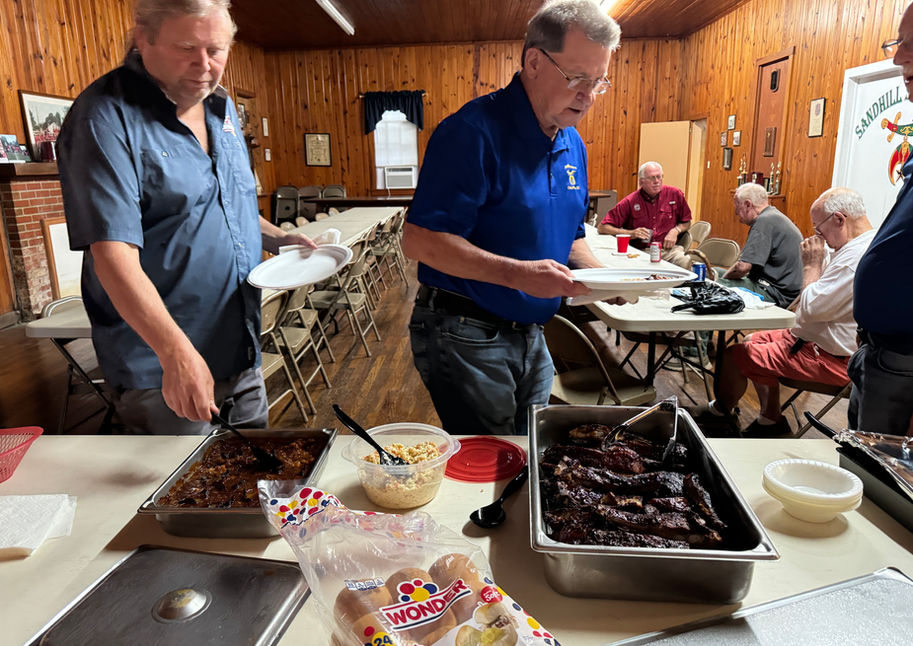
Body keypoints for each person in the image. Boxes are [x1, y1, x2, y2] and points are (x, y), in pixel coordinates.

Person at [57, 0, 315, 435]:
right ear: (144, 37)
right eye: (186, 48)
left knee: (254, 487)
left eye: (216, 50)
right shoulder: (104, 117)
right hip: (161, 366)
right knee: (189, 497)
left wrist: (280, 239)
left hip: (238, 345)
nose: (204, 65)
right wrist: (175, 353)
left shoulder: (223, 107)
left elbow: (227, 205)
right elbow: (113, 254)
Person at [402, 0, 621, 435]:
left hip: (532, 331)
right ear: (534, 62)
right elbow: (421, 241)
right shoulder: (472, 132)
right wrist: (521, 276)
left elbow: (571, 236)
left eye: (599, 81)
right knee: (492, 465)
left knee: (527, 452)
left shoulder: (571, 142)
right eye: (578, 77)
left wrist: (606, 279)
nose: (588, 94)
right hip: (465, 330)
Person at [695, 188, 875, 436]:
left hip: (831, 357)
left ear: (839, 219)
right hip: (815, 340)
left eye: (818, 227)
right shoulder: (856, 246)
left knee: (735, 356)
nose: (816, 234)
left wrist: (811, 265)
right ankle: (770, 420)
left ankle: (720, 417)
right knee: (750, 339)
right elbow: (813, 300)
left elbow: (809, 309)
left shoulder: (853, 259)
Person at [849, 5, 913, 436]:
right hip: (881, 350)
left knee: (883, 490)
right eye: (898, 42)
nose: (896, 59)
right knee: (864, 474)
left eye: (910, 44)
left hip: (904, 358)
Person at [718, 182, 802, 308]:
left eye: (737, 208)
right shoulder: (773, 216)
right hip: (780, 289)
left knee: (710, 288)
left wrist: (723, 281)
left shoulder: (764, 221)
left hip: (774, 293)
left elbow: (742, 268)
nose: (736, 213)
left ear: (747, 205)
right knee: (714, 272)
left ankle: (702, 326)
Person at [596, 161, 693, 268]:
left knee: (684, 260)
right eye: (652, 178)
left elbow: (686, 221)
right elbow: (603, 228)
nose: (657, 181)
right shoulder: (630, 201)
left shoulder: (674, 194)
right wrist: (631, 233)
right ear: (641, 182)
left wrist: (676, 230)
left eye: (659, 177)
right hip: (641, 252)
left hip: (668, 250)